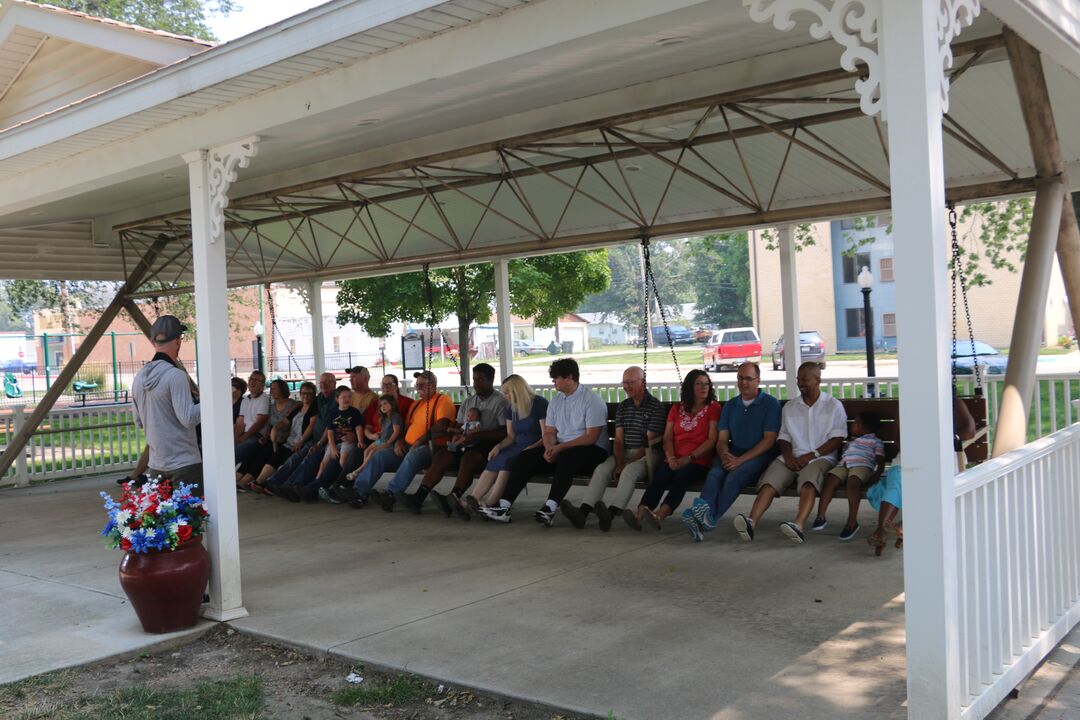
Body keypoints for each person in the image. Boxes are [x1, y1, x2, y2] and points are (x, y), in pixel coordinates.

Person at [733, 362, 847, 545]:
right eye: (798, 379)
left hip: (820, 457)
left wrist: (811, 455)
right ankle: (751, 522)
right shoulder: (790, 407)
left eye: (805, 379)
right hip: (792, 456)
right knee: (770, 481)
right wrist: (787, 456)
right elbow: (784, 436)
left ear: (818, 380)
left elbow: (837, 439)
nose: (800, 383)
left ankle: (798, 526)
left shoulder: (833, 406)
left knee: (809, 482)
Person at [499, 358, 609, 527]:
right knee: (526, 457)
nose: (553, 382)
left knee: (567, 457)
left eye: (556, 378)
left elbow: (591, 437)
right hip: (562, 448)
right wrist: (549, 447)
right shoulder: (556, 402)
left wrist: (559, 448)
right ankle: (503, 506)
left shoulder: (591, 400)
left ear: (569, 377)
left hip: (592, 450)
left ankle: (550, 508)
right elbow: (549, 432)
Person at [865, 391, 977, 555]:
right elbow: (897, 439)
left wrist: (940, 436)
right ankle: (881, 530)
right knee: (897, 480)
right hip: (910, 456)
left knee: (931, 482)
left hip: (943, 456)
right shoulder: (907, 401)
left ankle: (906, 526)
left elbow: (969, 432)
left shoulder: (952, 401)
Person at [681, 362, 780, 542]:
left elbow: (768, 441)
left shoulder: (770, 404)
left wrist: (739, 461)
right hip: (734, 452)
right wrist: (725, 452)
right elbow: (721, 439)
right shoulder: (731, 405)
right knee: (715, 473)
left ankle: (708, 519)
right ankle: (701, 520)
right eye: (740, 378)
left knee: (734, 477)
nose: (744, 383)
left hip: (759, 455)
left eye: (749, 379)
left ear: (758, 380)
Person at [560, 365, 665, 531]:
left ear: (643, 382)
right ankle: (583, 512)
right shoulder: (623, 406)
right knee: (602, 469)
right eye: (624, 382)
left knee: (629, 471)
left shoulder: (655, 406)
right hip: (624, 453)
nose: (626, 386)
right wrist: (618, 462)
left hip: (647, 454)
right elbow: (619, 440)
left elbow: (648, 442)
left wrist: (625, 464)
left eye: (631, 382)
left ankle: (611, 512)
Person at [403, 363, 508, 516]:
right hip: (463, 442)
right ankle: (419, 497)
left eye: (481, 380)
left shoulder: (500, 402)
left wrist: (478, 435)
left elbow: (504, 431)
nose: (476, 383)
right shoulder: (469, 402)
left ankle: (453, 497)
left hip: (487, 445)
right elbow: (458, 425)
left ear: (491, 380)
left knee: (469, 458)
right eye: (474, 379)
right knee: (442, 456)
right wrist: (456, 439)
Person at [624, 369, 719, 531]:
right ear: (690, 387)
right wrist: (671, 456)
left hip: (698, 460)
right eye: (699, 384)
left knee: (682, 477)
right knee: (661, 476)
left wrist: (689, 458)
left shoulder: (713, 408)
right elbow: (667, 437)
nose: (704, 388)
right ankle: (639, 514)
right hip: (674, 457)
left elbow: (711, 440)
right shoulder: (677, 408)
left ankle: (660, 515)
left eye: (706, 384)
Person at [361, 370, 455, 510]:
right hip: (407, 446)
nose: (418, 388)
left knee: (414, 455)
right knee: (380, 455)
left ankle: (391, 494)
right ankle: (359, 491)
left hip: (431, 448)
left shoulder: (443, 400)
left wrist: (419, 441)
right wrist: (399, 442)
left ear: (433, 385)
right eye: (417, 385)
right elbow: (405, 426)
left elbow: (441, 425)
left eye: (422, 385)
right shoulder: (416, 404)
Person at [130, 315, 202, 492]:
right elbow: (188, 418)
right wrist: (210, 400)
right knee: (190, 519)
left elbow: (138, 421)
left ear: (154, 341)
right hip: (185, 464)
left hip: (156, 465)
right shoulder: (175, 376)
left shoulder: (139, 377)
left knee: (164, 519)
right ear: (178, 340)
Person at [469, 374, 548, 523]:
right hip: (517, 445)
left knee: (508, 462)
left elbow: (546, 436)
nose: (505, 396)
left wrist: (530, 449)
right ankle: (473, 500)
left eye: (507, 393)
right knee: (496, 458)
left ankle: (490, 504)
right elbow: (511, 436)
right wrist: (498, 446)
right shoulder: (510, 408)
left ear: (517, 390)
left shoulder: (539, 404)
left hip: (535, 447)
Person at [811, 411, 886, 541]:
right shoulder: (850, 442)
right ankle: (820, 516)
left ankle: (852, 522)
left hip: (862, 466)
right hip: (844, 465)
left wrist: (878, 474)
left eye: (854, 423)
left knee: (853, 483)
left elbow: (880, 460)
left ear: (863, 427)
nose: (851, 425)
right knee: (830, 481)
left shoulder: (875, 441)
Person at [265, 372, 337, 496]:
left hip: (326, 440)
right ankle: (274, 483)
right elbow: (305, 404)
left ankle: (290, 485)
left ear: (334, 384)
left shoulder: (336, 400)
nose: (323, 385)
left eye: (327, 382)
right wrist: (296, 406)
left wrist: (319, 443)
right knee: (295, 458)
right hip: (314, 439)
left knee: (304, 458)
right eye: (321, 382)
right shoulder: (319, 398)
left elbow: (330, 425)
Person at [244, 381, 318, 494]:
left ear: (314, 395)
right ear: (300, 394)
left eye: (309, 394)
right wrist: (275, 428)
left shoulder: (314, 409)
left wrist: (301, 441)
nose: (306, 396)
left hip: (302, 442)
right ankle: (259, 482)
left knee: (289, 461)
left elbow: (312, 425)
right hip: (289, 441)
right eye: (303, 393)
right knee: (276, 457)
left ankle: (272, 484)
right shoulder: (298, 408)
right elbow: (284, 421)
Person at [236, 378, 298, 491]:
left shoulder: (292, 405)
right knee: (255, 450)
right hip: (272, 438)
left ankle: (249, 479)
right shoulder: (272, 406)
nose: (272, 392)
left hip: (284, 439)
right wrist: (266, 436)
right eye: (271, 389)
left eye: (274, 389)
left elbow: (294, 424)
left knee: (264, 453)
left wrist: (283, 436)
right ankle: (239, 476)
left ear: (282, 390)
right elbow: (270, 425)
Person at [311, 386, 365, 501]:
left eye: (349, 397)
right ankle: (317, 481)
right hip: (335, 442)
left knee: (342, 460)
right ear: (337, 399)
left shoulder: (354, 412)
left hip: (347, 441)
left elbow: (358, 427)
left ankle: (340, 483)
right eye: (343, 397)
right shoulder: (334, 413)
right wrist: (333, 448)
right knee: (324, 462)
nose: (347, 399)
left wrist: (360, 441)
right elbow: (330, 432)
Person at [349, 395, 403, 477]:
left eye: (385, 404)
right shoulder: (384, 418)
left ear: (392, 404)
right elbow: (385, 430)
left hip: (389, 442)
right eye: (381, 405)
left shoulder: (395, 416)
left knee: (372, 452)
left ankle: (359, 470)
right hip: (381, 439)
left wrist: (388, 443)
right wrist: (379, 433)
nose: (382, 407)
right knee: (366, 451)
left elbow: (396, 432)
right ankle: (364, 470)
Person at [234, 370, 269, 466]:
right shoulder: (245, 399)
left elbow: (260, 422)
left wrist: (243, 438)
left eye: (256, 380)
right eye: (251, 379)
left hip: (257, 435)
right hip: (244, 434)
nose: (252, 382)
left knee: (234, 453)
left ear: (262, 385)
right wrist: (236, 438)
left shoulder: (264, 398)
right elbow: (240, 422)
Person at [346, 366, 378, 433]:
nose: (350, 380)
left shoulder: (374, 399)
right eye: (350, 377)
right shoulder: (348, 396)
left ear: (365, 378)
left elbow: (370, 424)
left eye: (354, 377)